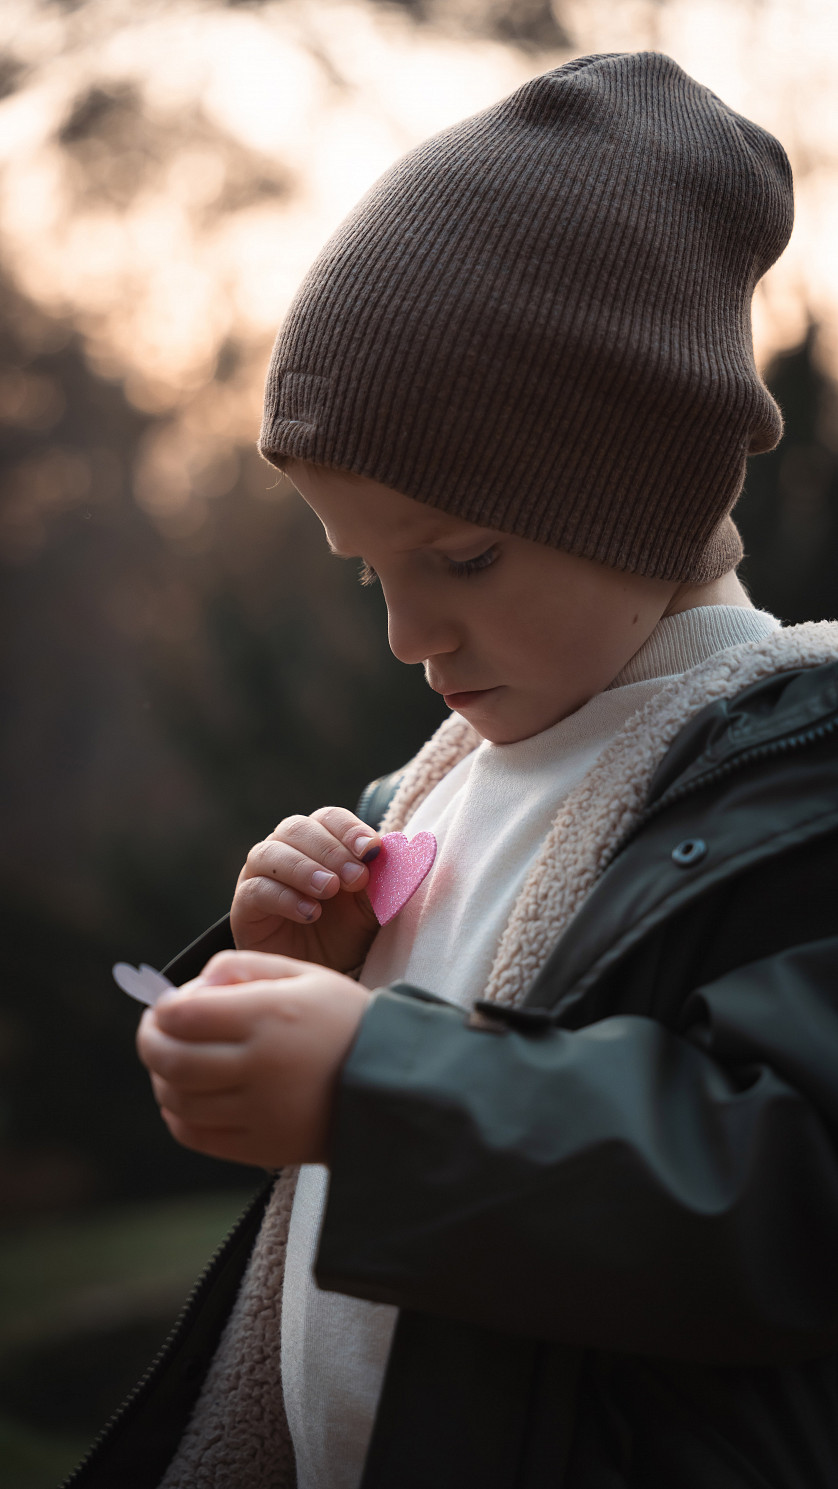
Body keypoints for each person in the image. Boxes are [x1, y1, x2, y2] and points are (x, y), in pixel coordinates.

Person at [67, 51, 838, 1489]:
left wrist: (379, 1087)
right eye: (369, 574)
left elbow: (788, 1193)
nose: (409, 633)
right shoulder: (442, 785)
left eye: (462, 556)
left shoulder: (795, 790)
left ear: (647, 493)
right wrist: (320, 963)